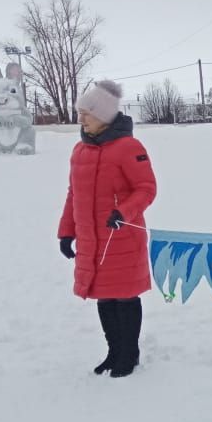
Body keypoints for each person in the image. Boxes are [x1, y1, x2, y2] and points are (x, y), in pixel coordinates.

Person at [58, 81, 157, 378]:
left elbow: (147, 189)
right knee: (104, 297)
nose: (81, 119)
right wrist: (66, 232)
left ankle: (129, 354)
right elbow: (73, 194)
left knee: (125, 297)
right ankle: (114, 352)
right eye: (80, 113)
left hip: (121, 235)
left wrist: (122, 211)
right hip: (92, 239)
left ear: (103, 115)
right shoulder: (80, 150)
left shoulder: (129, 147)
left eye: (86, 113)